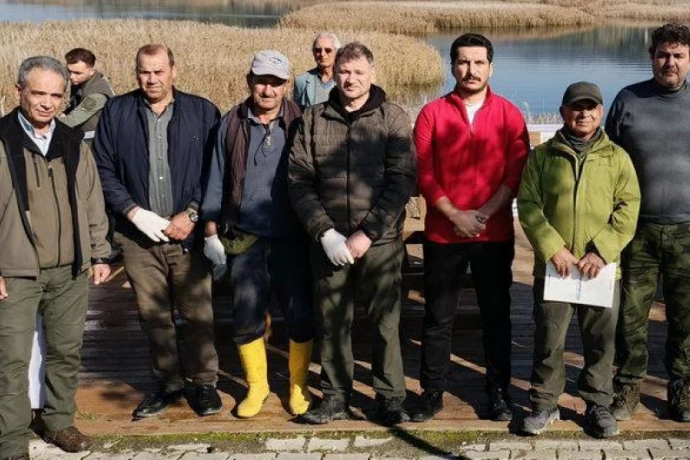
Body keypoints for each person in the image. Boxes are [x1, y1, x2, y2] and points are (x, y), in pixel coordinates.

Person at [606, 22, 690, 423]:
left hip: (689, 230)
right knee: (631, 314)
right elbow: (605, 160)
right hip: (635, 230)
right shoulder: (629, 99)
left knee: (684, 316)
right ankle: (627, 386)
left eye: (679, 56)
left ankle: (680, 388)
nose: (670, 62)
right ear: (652, 57)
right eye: (663, 54)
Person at [287, 42, 417, 426]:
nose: (351, 79)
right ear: (334, 72)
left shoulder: (392, 118)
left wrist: (366, 233)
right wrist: (324, 232)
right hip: (327, 242)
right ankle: (335, 397)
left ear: (372, 75)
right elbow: (298, 179)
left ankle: (391, 397)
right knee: (332, 322)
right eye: (345, 71)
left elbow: (401, 181)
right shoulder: (313, 118)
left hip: (379, 242)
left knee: (385, 322)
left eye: (359, 72)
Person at [92, 44, 222, 420]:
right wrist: (132, 211)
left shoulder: (202, 111)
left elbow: (216, 170)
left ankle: (203, 383)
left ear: (174, 71)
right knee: (153, 315)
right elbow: (103, 170)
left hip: (188, 234)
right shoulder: (116, 112)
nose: (151, 79)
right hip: (138, 237)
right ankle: (168, 383)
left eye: (159, 71)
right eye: (144, 72)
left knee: (197, 313)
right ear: (136, 73)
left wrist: (193, 213)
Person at [0, 57, 113, 460]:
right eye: (38, 93)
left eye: (56, 95)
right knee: (11, 358)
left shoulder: (71, 139)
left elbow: (92, 199)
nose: (47, 103)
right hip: (15, 270)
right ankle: (10, 441)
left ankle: (59, 421)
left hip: (71, 269)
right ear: (19, 91)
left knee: (65, 351)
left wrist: (98, 252)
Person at [410, 33, 529, 423]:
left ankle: (497, 391)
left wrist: (482, 213)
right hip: (444, 234)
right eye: (463, 62)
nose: (470, 69)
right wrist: (454, 214)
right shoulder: (432, 113)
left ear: (491, 67)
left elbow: (516, 171)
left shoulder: (510, 115)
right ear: (452, 66)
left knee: (496, 315)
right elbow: (424, 172)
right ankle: (431, 391)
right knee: (438, 316)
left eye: (479, 62)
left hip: (493, 235)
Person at [517, 81, 640, 438]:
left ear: (600, 112)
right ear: (563, 112)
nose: (583, 113)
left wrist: (601, 250)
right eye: (576, 107)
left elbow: (628, 207)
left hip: (600, 270)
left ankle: (598, 403)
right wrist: (552, 247)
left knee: (601, 341)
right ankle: (544, 403)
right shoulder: (543, 156)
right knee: (549, 337)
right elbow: (528, 205)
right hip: (556, 268)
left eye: (590, 107)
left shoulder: (617, 157)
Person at [200, 50, 315, 418]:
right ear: (249, 80)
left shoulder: (302, 121)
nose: (268, 89)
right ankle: (258, 386)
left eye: (276, 82)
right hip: (244, 236)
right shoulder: (230, 123)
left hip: (293, 236)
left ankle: (299, 386)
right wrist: (210, 231)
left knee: (300, 313)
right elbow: (216, 178)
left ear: (287, 85)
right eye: (262, 80)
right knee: (246, 313)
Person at [62, 48, 114, 144]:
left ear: (92, 71)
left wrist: (41, 123)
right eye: (69, 71)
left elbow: (71, 121)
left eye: (77, 73)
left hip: (95, 146)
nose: (71, 76)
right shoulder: (81, 82)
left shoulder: (97, 94)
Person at [293, 32, 340, 108]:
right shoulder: (301, 81)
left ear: (337, 52)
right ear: (313, 53)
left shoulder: (345, 79)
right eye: (318, 50)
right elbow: (297, 112)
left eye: (328, 50)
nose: (322, 54)